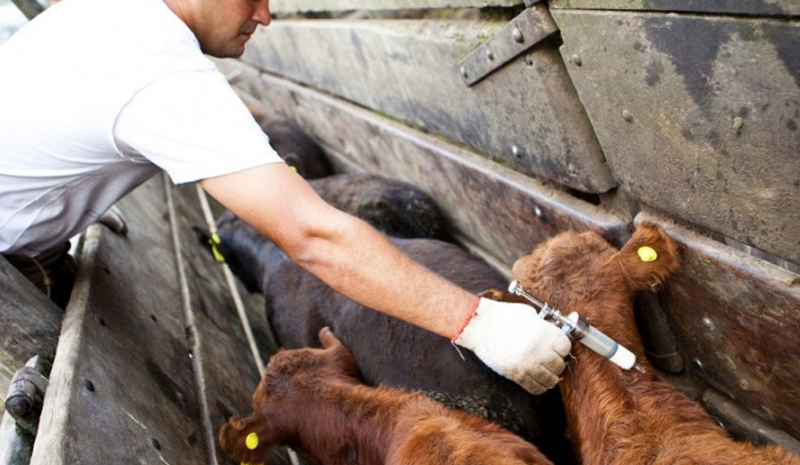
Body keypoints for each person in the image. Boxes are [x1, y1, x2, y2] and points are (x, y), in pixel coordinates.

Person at [0, 0, 571, 395]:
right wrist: (480, 325)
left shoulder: (111, 17)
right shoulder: (155, 72)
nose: (266, 15)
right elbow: (312, 234)